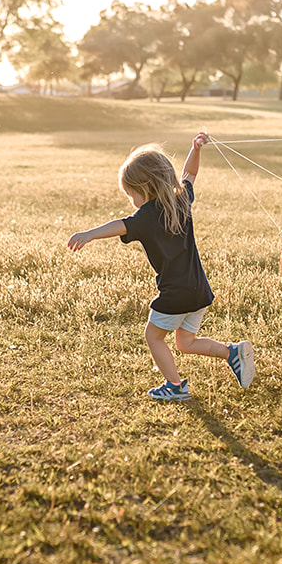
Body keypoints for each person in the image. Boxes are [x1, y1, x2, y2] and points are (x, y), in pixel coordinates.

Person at [67, 132, 255, 401]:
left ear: (143, 188)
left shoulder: (145, 216)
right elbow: (189, 174)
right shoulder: (181, 200)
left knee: (154, 337)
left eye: (130, 193)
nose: (131, 200)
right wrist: (196, 149)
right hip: (199, 290)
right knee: (185, 343)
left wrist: (88, 233)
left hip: (175, 294)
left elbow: (119, 225)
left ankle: (175, 387)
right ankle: (232, 353)